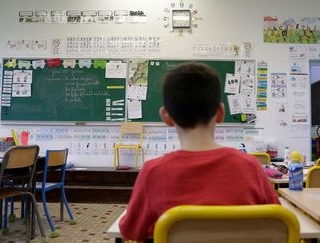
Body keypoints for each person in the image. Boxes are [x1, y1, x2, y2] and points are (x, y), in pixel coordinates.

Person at [119, 63, 280, 242]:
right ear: (220, 113)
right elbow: (277, 224)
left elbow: (131, 232)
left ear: (166, 117)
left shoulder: (153, 173)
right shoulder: (250, 167)